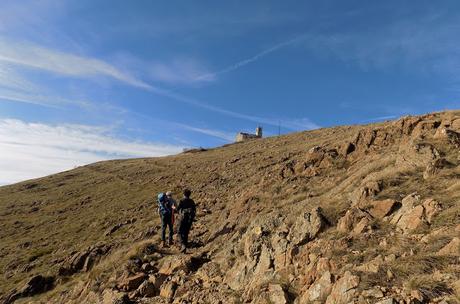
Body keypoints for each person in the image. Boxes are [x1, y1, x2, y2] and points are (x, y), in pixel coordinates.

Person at [177, 189, 196, 253]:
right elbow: (194, 210)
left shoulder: (182, 201)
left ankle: (183, 245)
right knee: (186, 231)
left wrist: (174, 208)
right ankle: (185, 244)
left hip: (182, 218)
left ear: (184, 194)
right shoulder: (192, 201)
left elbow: (178, 209)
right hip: (189, 219)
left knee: (179, 231)